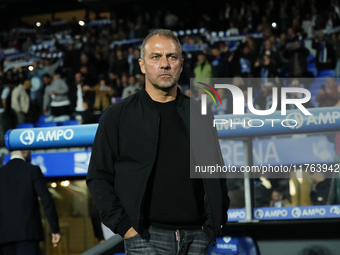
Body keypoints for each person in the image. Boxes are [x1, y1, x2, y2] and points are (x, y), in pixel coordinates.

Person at [87, 29, 229, 255]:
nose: (165, 64)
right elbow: (98, 176)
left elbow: (216, 172)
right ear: (142, 65)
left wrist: (214, 222)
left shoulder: (201, 114)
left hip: (197, 238)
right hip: (145, 237)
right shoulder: (117, 116)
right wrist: (125, 228)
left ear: (181, 65)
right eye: (156, 57)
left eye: (172, 57)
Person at [0, 150, 61, 255]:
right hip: (28, 234)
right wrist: (54, 229)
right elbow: (46, 201)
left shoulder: (1, 173)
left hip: (4, 237)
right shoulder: (32, 170)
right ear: (24, 151)